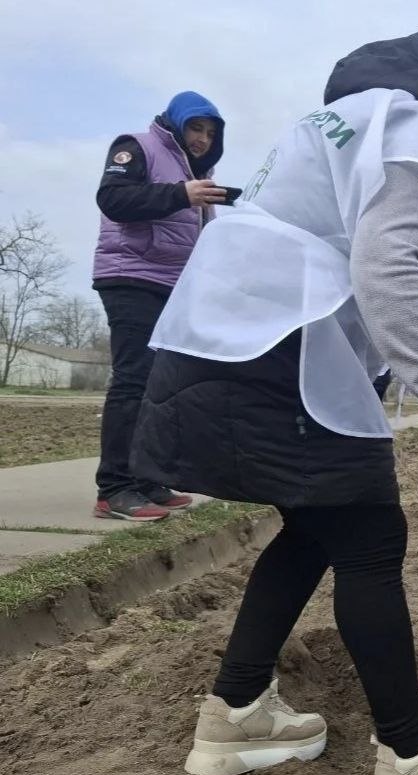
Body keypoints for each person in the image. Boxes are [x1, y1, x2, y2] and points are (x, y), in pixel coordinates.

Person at [130, 24, 418, 775]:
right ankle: (409, 759)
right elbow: (385, 265)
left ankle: (238, 710)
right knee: (367, 534)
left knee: (317, 527)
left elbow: (353, 261)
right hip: (275, 337)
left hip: (232, 328)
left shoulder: (377, 111)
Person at [91, 91, 227, 521]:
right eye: (195, 128)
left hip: (173, 286)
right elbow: (113, 200)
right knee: (133, 381)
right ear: (176, 123)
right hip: (131, 277)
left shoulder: (198, 173)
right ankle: (113, 489)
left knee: (158, 387)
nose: (203, 139)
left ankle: (145, 479)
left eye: (210, 132)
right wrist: (180, 194)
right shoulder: (136, 147)